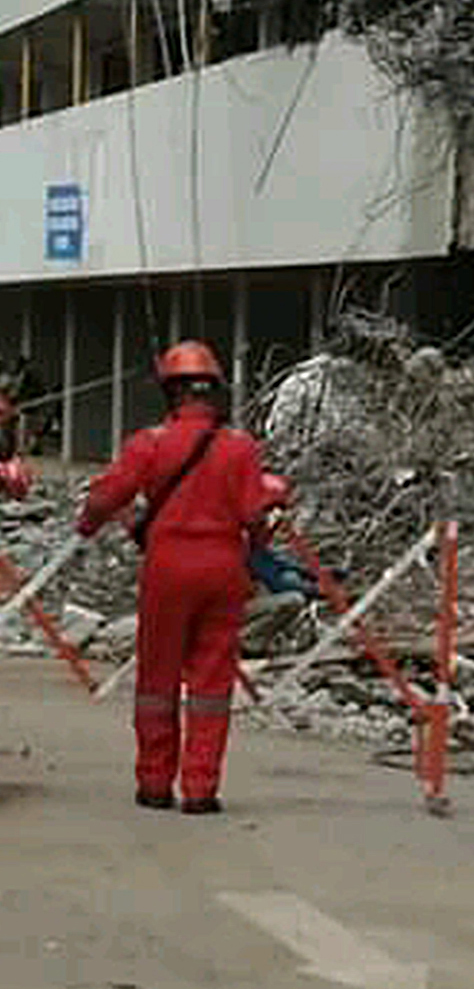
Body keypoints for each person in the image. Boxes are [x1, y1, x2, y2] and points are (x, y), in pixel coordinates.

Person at [77, 342, 270, 814]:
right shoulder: (240, 447)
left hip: (167, 570)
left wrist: (87, 525)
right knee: (211, 683)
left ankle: (154, 784)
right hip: (223, 569)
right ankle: (201, 790)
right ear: (215, 393)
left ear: (171, 392)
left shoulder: (150, 443)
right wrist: (258, 549)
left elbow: (107, 496)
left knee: (157, 679)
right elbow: (256, 516)